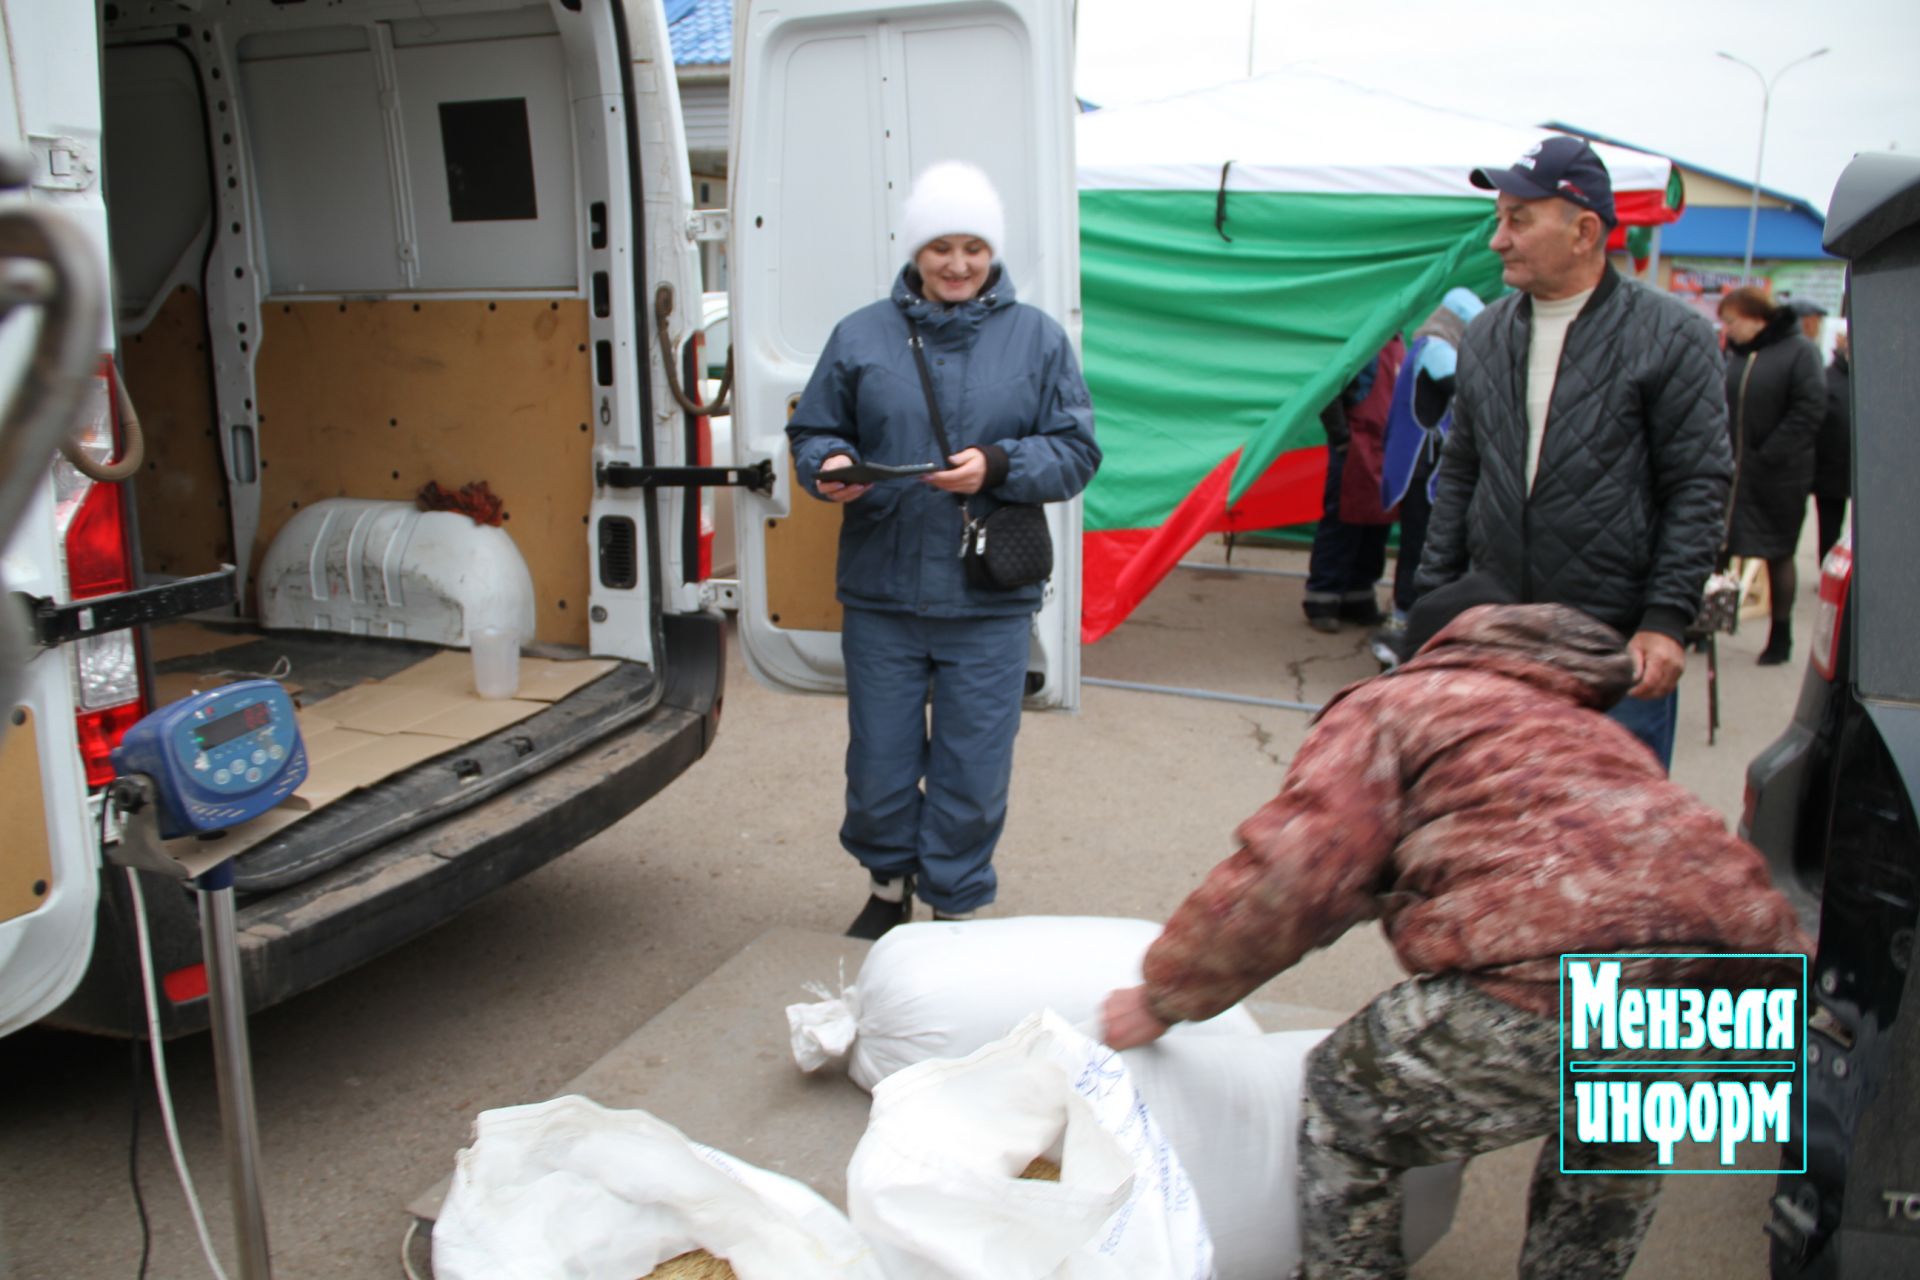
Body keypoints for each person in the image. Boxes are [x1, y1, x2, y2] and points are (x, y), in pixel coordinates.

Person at [1102, 575, 1810, 1278]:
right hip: (1738, 977)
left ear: (1423, 651)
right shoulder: (1585, 724)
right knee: (1612, 1130)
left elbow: (1297, 872)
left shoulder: (1399, 703)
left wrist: (1167, 995)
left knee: (1347, 1098)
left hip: (1565, 975)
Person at [787, 161, 1101, 940]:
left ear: (992, 252)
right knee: (880, 767)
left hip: (987, 596)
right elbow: (815, 428)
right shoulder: (861, 333)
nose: (958, 264)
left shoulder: (1039, 339)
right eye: (940, 248)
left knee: (972, 769)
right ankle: (888, 886)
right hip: (882, 591)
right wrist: (824, 465)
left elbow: (1076, 451)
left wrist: (998, 465)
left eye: (974, 247)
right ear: (914, 251)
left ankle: (955, 904)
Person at [1413, 136, 1733, 771]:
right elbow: (1463, 472)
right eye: (1499, 219)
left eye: (1519, 220)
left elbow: (1698, 484)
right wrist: (1432, 601)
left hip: (1614, 650)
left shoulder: (1672, 336)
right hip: (1496, 637)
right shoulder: (1487, 334)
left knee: (1608, 844)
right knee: (1492, 829)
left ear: (1585, 231)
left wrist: (1666, 619)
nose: (1497, 239)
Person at [1371, 287, 1484, 663]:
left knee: (1420, 546)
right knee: (1421, 547)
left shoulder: (1426, 345)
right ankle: (1405, 625)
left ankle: (1408, 623)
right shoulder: (1436, 347)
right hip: (1422, 468)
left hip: (1421, 465)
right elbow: (1470, 388)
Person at [1717, 285, 1826, 665]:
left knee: (1776, 553)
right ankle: (1703, 624)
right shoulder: (1737, 355)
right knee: (1717, 547)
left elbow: (1810, 409)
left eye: (1731, 321)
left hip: (1778, 475)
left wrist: (1770, 454)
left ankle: (1780, 637)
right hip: (1731, 470)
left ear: (1756, 317)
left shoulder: (1800, 352)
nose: (1727, 329)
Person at [1301, 339, 1405, 633]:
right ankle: (1323, 598)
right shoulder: (1361, 344)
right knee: (1342, 522)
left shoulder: (1397, 343)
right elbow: (1328, 392)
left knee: (1376, 523)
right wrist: (1343, 440)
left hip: (1384, 448)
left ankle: (1359, 596)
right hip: (1356, 445)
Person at [1814, 325, 1851, 562]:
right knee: (1829, 527)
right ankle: (1828, 570)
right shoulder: (1828, 378)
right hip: (1832, 468)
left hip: (1872, 471)